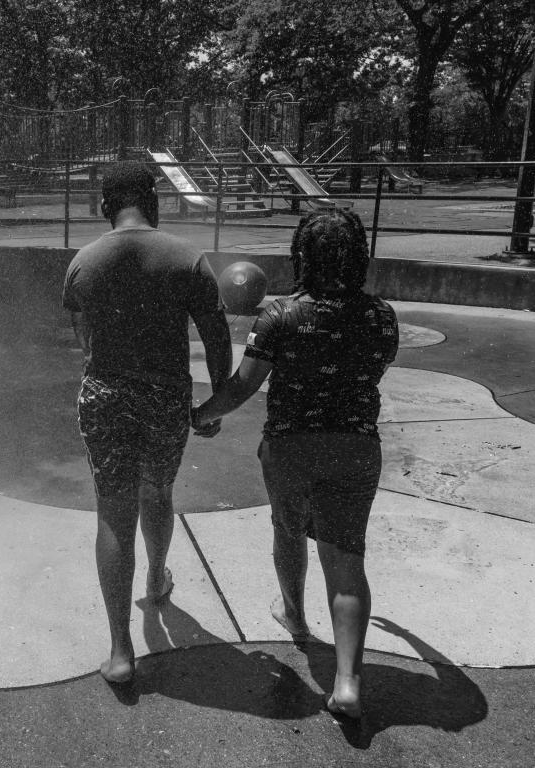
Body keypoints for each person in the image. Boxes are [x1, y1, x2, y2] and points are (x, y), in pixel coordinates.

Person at [192, 209, 398, 718]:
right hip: (355, 447)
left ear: (301, 256)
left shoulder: (280, 316)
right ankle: (348, 684)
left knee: (288, 532)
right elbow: (374, 368)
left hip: (292, 447)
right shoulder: (382, 316)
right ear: (358, 258)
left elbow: (243, 386)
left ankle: (295, 616)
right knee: (346, 560)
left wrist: (203, 414)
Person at [63, 161, 232, 685]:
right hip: (164, 397)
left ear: (104, 206)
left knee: (113, 514)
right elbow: (218, 338)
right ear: (154, 202)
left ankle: (120, 650)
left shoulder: (84, 263)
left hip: (107, 395)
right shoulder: (188, 259)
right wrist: (215, 403)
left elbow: (82, 338)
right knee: (156, 493)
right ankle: (157, 577)